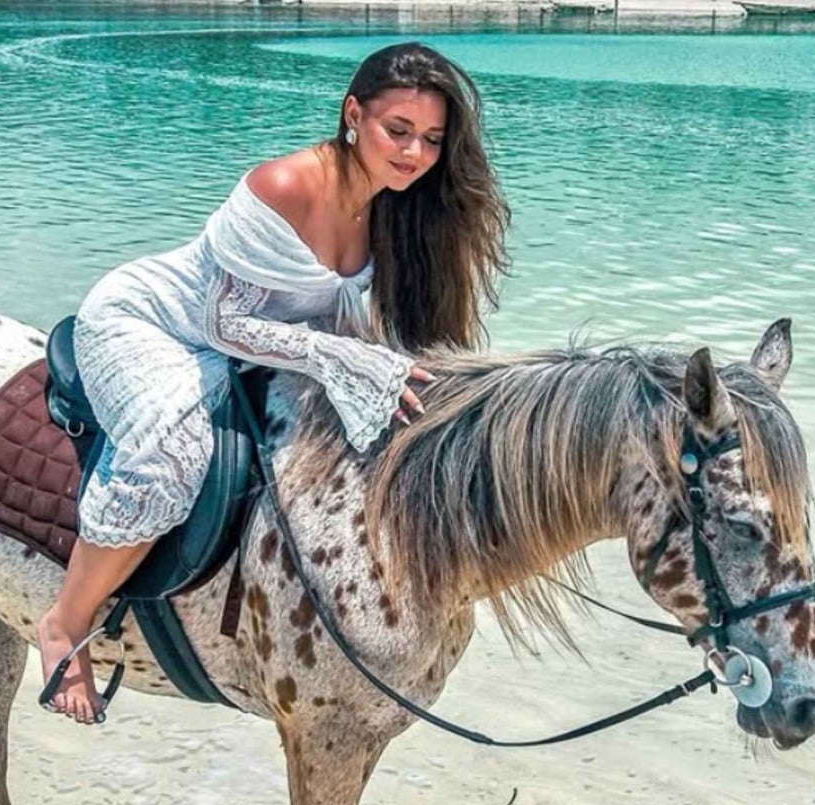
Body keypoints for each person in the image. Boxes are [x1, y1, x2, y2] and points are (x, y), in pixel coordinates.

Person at [38, 41, 510, 723]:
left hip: (264, 347)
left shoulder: (395, 207)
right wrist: (346, 361)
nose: (413, 153)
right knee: (170, 450)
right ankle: (65, 621)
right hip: (158, 324)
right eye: (397, 131)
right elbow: (224, 321)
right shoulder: (285, 184)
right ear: (354, 114)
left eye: (432, 140)